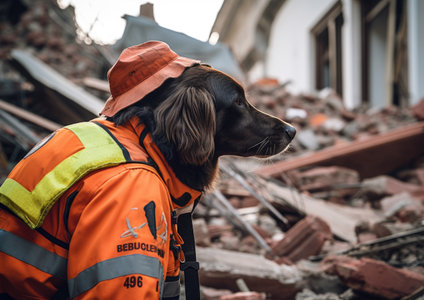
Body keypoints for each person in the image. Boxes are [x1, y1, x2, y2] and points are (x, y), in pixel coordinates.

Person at [0, 41, 295, 299]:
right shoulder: (132, 184)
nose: (258, 116)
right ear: (198, 120)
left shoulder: (90, 141)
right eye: (238, 104)